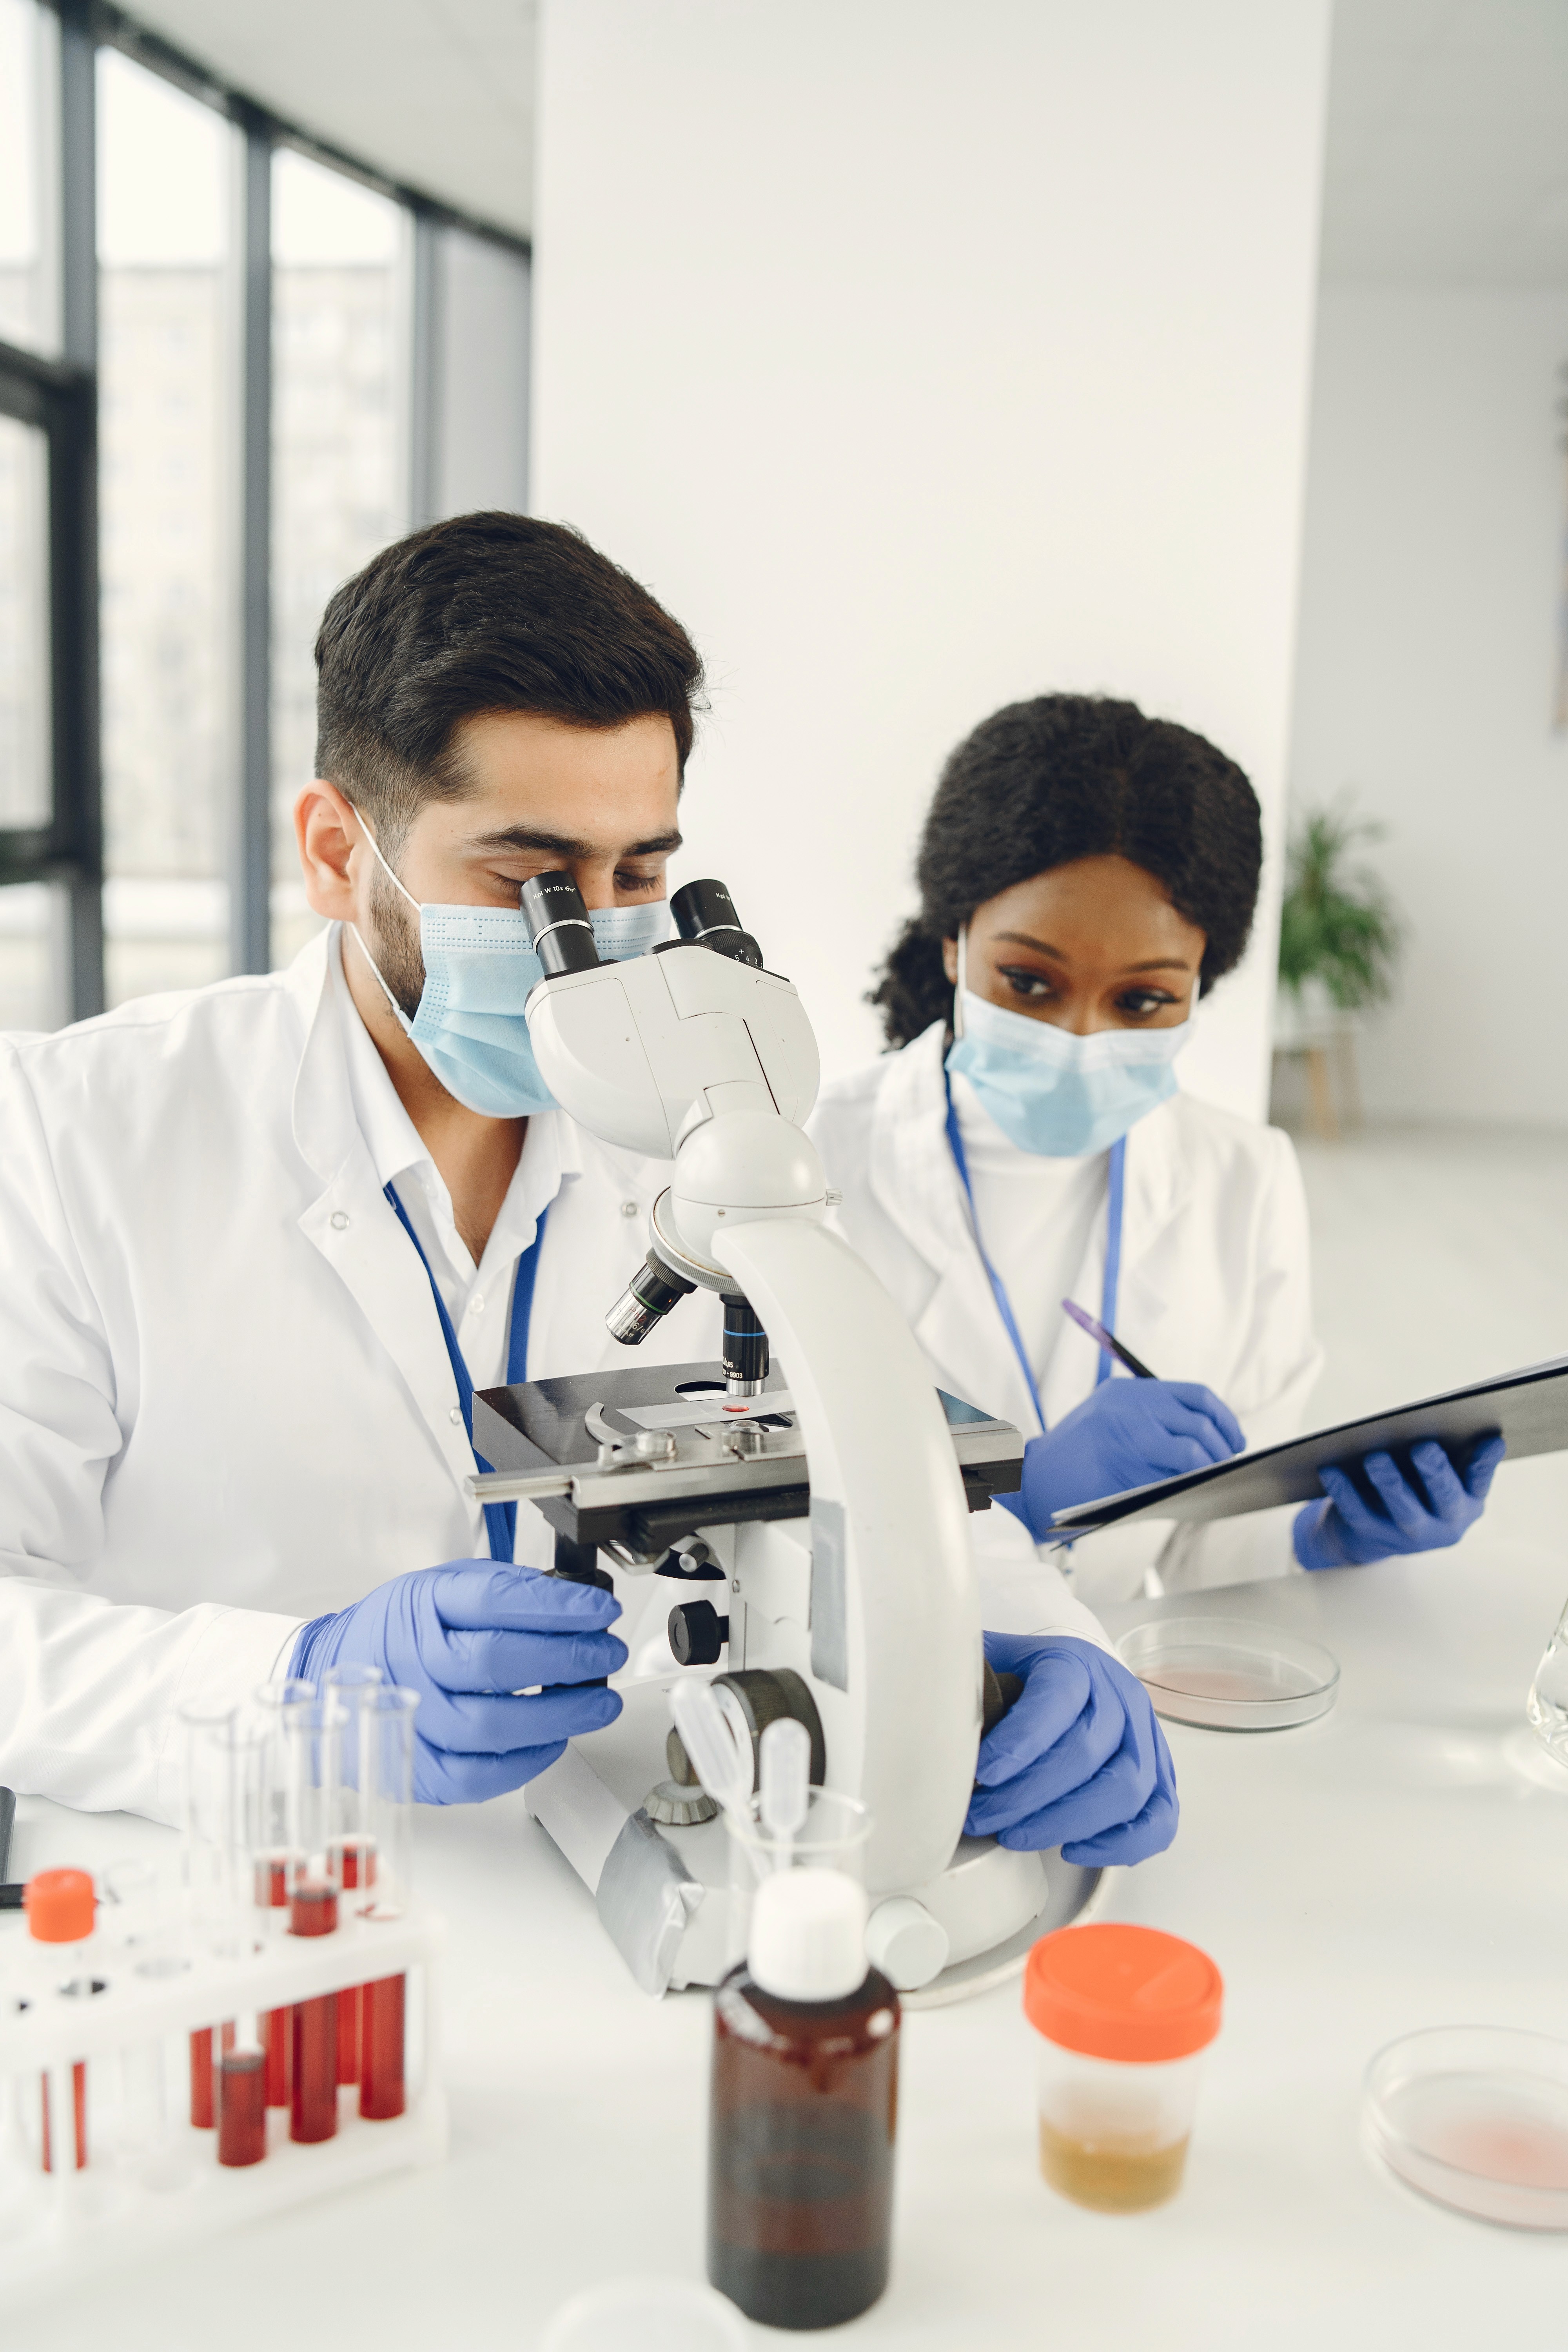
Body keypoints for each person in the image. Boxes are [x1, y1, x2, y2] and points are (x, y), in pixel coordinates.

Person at [0, 521, 1172, 1868]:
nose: (602, 938)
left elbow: (879, 1443)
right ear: (337, 852)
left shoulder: (707, 1120)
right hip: (248, 1885)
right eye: (529, 880)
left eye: (641, 875)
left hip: (634, 1849)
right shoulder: (76, 1131)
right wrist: (302, 1691)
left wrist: (1038, 1648)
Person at [810, 694, 1502, 1618]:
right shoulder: (801, 1162)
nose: (1078, 1035)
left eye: (1140, 1002)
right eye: (1027, 982)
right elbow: (759, 1531)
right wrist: (1015, 1496)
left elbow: (1204, 1541)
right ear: (952, 939)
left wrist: (1318, 1535)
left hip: (1126, 1694)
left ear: (1199, 986)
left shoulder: (1243, 1180)